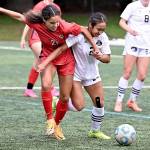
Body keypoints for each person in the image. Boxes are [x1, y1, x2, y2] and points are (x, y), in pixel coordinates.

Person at [0, 4, 99, 140]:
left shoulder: (65, 26)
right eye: (52, 23)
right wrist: (2, 9)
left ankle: (57, 125)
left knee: (64, 97)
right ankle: (50, 120)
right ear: (44, 20)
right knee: (46, 85)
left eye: (57, 22)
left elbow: (83, 30)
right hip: (47, 56)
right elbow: (19, 16)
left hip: (66, 60)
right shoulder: (37, 24)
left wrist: (95, 46)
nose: (55, 25)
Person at [37, 12, 111, 140]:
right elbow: (61, 49)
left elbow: (107, 58)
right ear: (90, 25)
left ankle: (95, 131)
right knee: (79, 106)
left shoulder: (103, 38)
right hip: (76, 75)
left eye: (103, 30)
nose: (100, 32)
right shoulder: (78, 36)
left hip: (93, 76)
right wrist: (45, 62)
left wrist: (101, 56)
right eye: (98, 29)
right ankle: (57, 102)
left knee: (99, 103)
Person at [114, 0, 150, 112]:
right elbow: (121, 22)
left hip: (146, 44)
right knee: (127, 73)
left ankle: (132, 101)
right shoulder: (132, 6)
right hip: (132, 43)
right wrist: (130, 30)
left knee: (142, 75)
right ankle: (119, 101)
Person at [21, 0, 59, 98]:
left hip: (46, 38)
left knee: (38, 62)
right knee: (46, 60)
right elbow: (29, 21)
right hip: (35, 37)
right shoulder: (41, 5)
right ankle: (51, 88)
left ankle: (29, 89)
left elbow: (57, 24)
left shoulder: (56, 7)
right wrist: (23, 38)